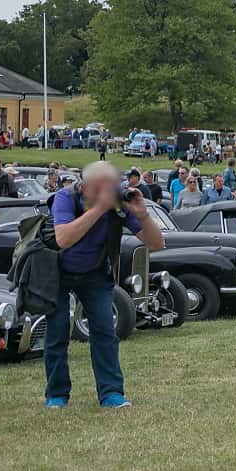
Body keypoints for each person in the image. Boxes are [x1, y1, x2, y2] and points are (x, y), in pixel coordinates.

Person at [42, 161, 163, 409]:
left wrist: (141, 214)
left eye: (112, 187)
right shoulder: (65, 198)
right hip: (58, 269)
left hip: (95, 273)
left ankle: (111, 393)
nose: (110, 193)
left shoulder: (119, 205)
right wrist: (99, 209)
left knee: (105, 331)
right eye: (101, 188)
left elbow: (157, 244)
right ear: (85, 187)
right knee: (57, 330)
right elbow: (63, 238)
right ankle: (57, 394)